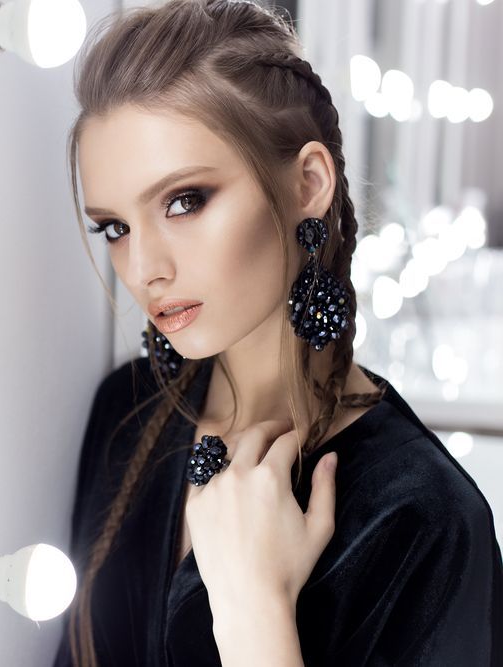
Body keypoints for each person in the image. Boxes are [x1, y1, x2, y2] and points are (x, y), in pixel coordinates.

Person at [53, 2, 502, 666]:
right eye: (115, 228)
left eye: (185, 201)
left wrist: (255, 612)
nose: (143, 268)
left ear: (308, 184)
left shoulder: (424, 518)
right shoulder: (128, 410)